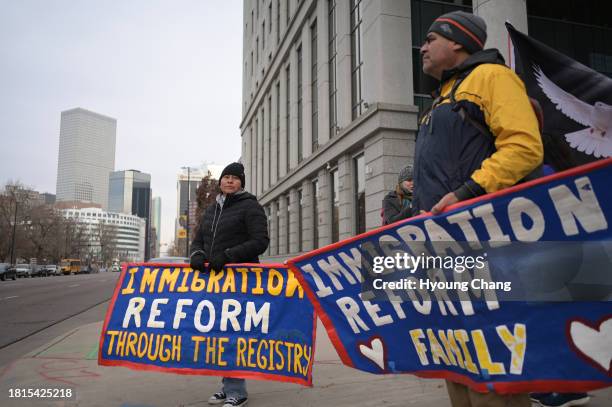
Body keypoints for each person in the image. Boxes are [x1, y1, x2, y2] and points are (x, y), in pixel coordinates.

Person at [413, 10, 543, 407]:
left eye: (431, 39)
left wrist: (469, 191)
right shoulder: (439, 100)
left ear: (457, 41)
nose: (423, 46)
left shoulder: (492, 78)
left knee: (491, 371)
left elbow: (524, 148)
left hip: (484, 246)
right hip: (442, 251)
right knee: (457, 360)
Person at [189, 162, 269, 407]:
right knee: (221, 334)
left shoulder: (250, 206)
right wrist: (197, 255)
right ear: (220, 182)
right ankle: (228, 385)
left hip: (241, 281)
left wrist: (228, 255)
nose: (230, 181)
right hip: (216, 282)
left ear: (241, 183)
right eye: (226, 177)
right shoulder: (212, 209)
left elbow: (260, 241)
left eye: (235, 178)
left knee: (235, 334)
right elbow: (199, 239)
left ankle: (237, 391)